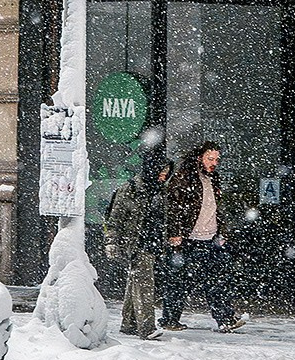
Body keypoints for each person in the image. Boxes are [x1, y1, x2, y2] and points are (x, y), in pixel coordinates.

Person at [162, 142, 246, 332]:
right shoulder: (184, 178)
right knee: (181, 281)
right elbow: (173, 208)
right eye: (210, 158)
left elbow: (217, 209)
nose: (214, 163)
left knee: (216, 281)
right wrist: (175, 233)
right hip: (189, 239)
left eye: (217, 159)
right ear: (199, 157)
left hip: (210, 238)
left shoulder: (213, 179)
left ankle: (225, 319)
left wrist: (221, 232)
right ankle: (170, 319)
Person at [103, 150, 170, 339]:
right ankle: (147, 328)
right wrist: (112, 242)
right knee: (144, 286)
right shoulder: (130, 189)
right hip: (136, 244)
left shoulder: (160, 190)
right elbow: (114, 219)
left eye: (166, 172)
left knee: (136, 282)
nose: (164, 176)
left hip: (152, 244)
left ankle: (129, 323)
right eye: (161, 171)